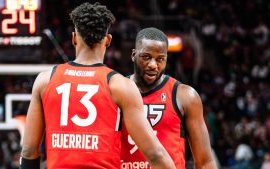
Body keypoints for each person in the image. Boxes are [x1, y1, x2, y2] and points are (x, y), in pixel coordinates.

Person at [19, 3, 176, 169]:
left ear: (73, 38)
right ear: (108, 41)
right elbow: (155, 155)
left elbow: (29, 151)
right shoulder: (121, 86)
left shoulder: (46, 80)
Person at [121, 27, 218, 169]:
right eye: (146, 57)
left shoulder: (185, 96)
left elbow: (205, 162)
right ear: (133, 55)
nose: (153, 65)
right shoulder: (116, 91)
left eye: (160, 59)